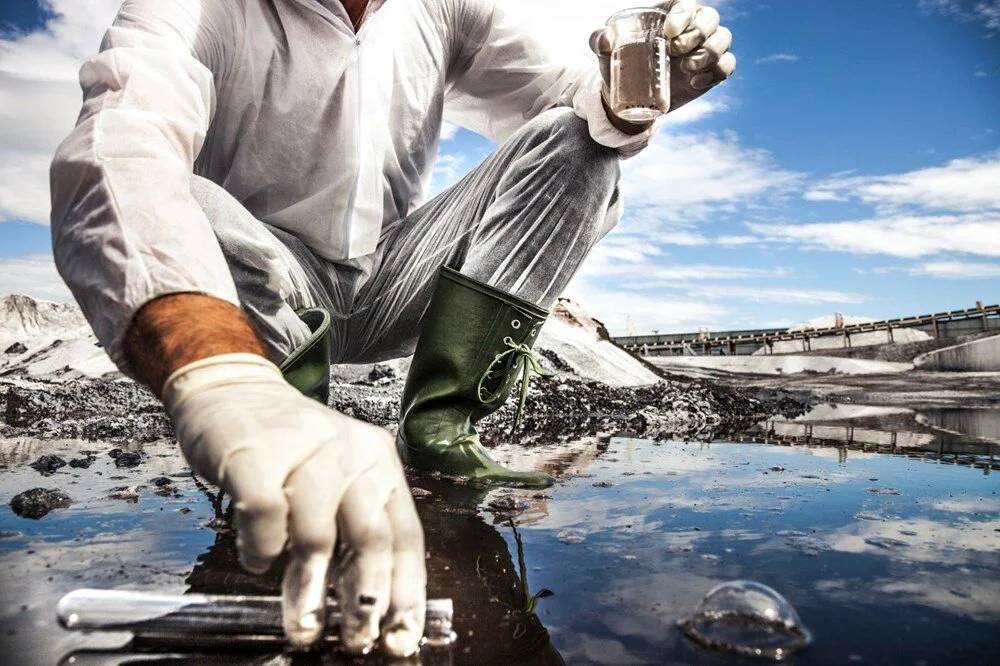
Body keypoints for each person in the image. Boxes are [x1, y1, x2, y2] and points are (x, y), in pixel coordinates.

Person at [49, 0, 734, 655]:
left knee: (576, 139)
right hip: (269, 286)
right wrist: (220, 379)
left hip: (394, 280)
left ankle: (440, 427)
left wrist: (629, 95)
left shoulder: (442, 9)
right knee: (188, 193)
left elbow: (572, 96)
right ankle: (285, 430)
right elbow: (121, 140)